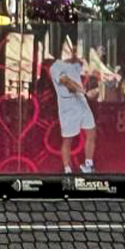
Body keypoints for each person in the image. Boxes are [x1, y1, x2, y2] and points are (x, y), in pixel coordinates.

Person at [50, 40, 97, 174]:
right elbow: (67, 82)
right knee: (68, 139)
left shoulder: (75, 64)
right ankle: (67, 169)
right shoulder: (55, 67)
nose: (75, 52)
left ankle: (88, 165)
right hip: (68, 106)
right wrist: (84, 91)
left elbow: (87, 68)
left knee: (92, 132)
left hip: (82, 103)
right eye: (72, 50)